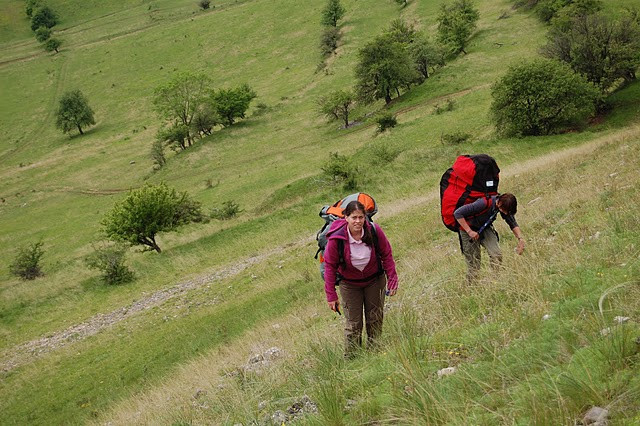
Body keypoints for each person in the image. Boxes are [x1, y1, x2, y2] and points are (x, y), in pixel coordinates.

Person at [323, 200, 399, 356]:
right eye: (353, 217)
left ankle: (375, 352)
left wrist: (392, 279)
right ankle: (352, 357)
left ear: (365, 217)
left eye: (361, 217)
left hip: (375, 281)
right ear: (346, 218)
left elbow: (387, 254)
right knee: (354, 324)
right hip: (349, 285)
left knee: (375, 318)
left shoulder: (374, 231)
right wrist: (331, 295)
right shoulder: (336, 239)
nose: (357, 221)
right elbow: (329, 267)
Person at [454, 193, 525, 283]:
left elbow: (512, 222)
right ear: (499, 203)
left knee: (496, 254)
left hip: (485, 228)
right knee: (474, 263)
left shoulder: (504, 206)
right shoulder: (482, 203)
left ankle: (493, 281)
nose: (505, 213)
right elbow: (457, 213)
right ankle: (471, 287)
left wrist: (520, 239)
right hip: (467, 229)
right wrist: (469, 231)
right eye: (504, 210)